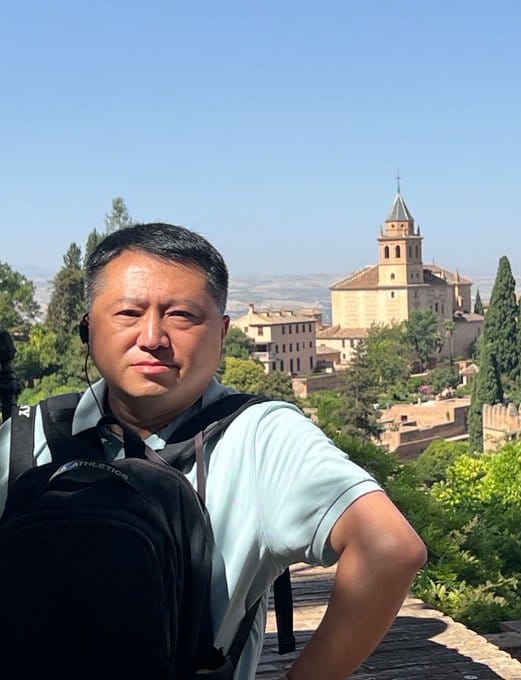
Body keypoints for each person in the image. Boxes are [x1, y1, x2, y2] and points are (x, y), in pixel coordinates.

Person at [0, 223, 426, 680]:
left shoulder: (261, 437)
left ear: (222, 332)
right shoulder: (24, 435)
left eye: (181, 315)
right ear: (89, 327)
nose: (152, 336)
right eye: (127, 313)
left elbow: (389, 548)